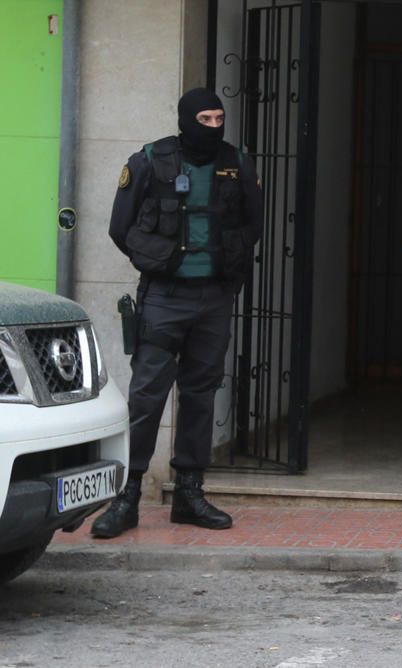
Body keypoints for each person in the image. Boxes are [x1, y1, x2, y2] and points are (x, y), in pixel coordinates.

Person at [93, 88, 263, 538]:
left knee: (200, 396)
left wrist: (228, 276)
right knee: (146, 397)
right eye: (204, 119)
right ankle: (126, 497)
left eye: (218, 119)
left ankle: (189, 492)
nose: (212, 127)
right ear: (186, 119)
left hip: (213, 300)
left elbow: (253, 225)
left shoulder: (238, 163)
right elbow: (120, 227)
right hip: (164, 298)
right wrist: (158, 262)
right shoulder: (151, 160)